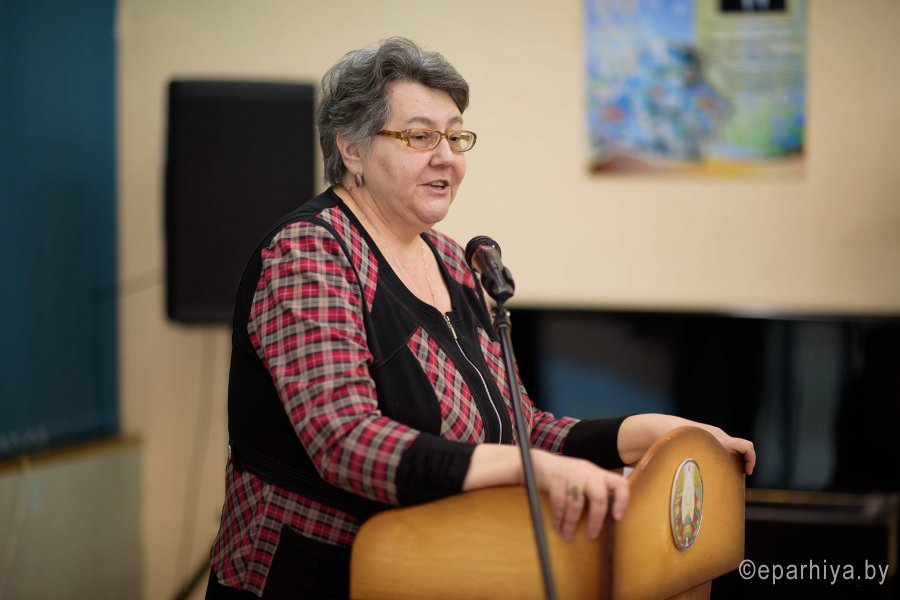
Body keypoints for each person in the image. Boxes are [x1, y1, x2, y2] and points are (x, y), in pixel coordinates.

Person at [205, 37, 756, 599]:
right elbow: (347, 442)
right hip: (310, 576)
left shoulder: (454, 262)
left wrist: (656, 433)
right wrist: (526, 470)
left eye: (455, 136)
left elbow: (523, 431)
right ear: (352, 149)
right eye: (420, 136)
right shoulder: (309, 253)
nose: (446, 156)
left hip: (435, 572)